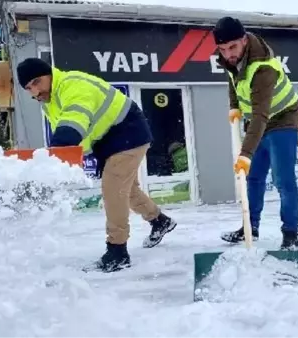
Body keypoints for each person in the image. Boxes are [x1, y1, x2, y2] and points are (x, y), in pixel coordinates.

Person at [16, 58, 177, 272]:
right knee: (128, 191)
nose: (34, 92)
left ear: (49, 74)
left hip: (127, 131)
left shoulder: (73, 85)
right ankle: (159, 221)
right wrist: (64, 160)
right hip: (109, 142)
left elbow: (73, 122)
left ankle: (117, 251)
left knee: (113, 189)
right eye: (28, 88)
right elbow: (74, 136)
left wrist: (53, 156)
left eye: (37, 82)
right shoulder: (51, 101)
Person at [212, 17, 298, 249]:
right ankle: (249, 228)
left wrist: (245, 153)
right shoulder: (231, 59)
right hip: (259, 121)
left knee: (283, 180)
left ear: (244, 40)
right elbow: (233, 81)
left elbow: (261, 115)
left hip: (282, 119)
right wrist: (234, 105)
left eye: (232, 47)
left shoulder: (263, 68)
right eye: (222, 49)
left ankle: (290, 233)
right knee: (252, 178)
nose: (228, 54)